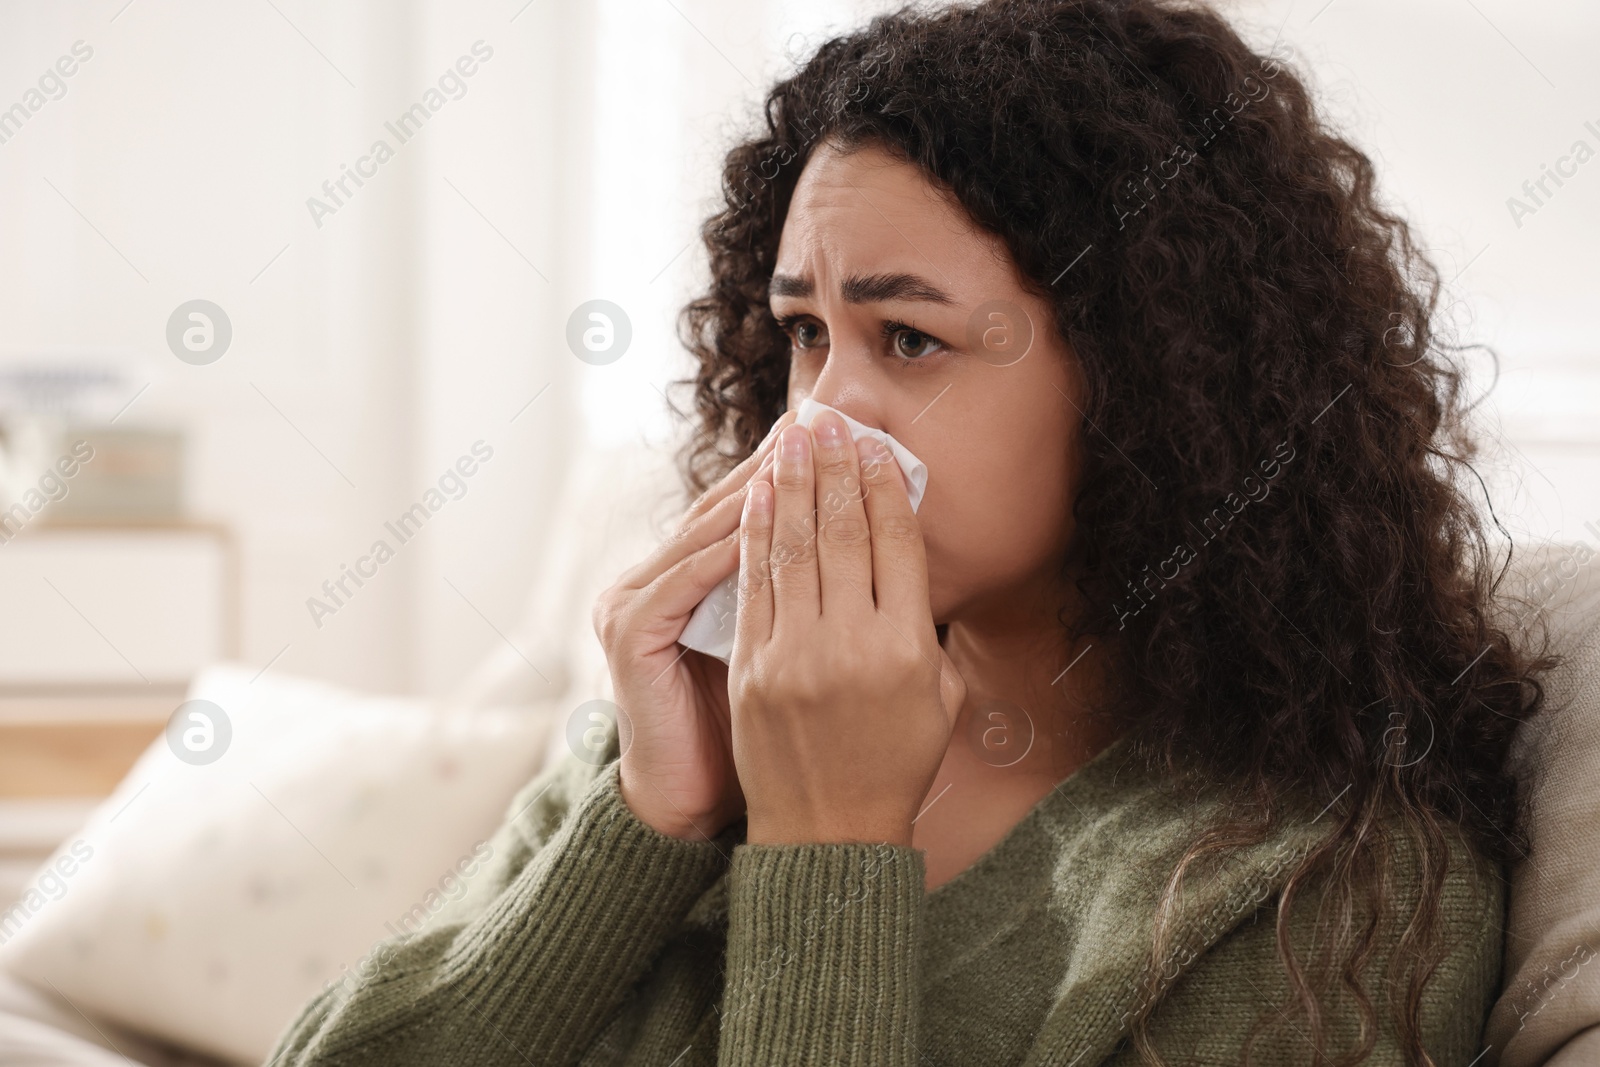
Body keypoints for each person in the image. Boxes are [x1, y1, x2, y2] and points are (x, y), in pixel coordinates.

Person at [265, 1, 1560, 1063]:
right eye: (806, 334)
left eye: (911, 338)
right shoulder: (700, 707)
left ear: (1155, 378)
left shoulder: (1312, 894)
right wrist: (645, 822)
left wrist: (829, 849)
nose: (821, 419)